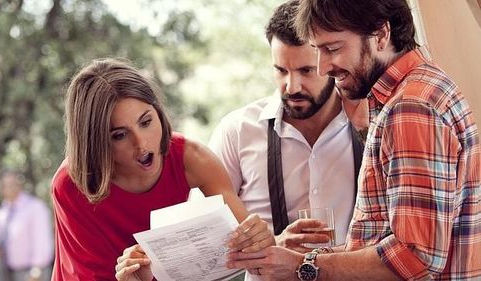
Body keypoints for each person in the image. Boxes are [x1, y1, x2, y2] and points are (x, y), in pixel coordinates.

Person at [226, 0, 481, 280]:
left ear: (381, 35)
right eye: (317, 51)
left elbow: (415, 257)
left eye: (332, 49)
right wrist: (301, 258)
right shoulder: (421, 88)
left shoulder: (410, 107)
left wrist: (302, 267)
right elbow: (387, 242)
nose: (323, 67)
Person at [52, 58, 274, 281]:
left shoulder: (192, 158)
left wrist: (259, 238)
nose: (142, 145)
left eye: (146, 122)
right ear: (96, 142)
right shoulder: (71, 183)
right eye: (119, 135)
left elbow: (252, 245)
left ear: (158, 112)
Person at [209, 0, 363, 253]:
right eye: (281, 70)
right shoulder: (237, 132)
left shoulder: (369, 124)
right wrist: (270, 245)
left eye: (306, 70)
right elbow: (207, 238)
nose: (291, 86)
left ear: (329, 63)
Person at [0, 171, 54, 281]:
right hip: (9, 273)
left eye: (11, 184)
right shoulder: (2, 212)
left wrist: (37, 268)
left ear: (19, 184)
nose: (8, 188)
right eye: (4, 185)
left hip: (33, 273)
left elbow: (42, 240)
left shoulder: (35, 207)